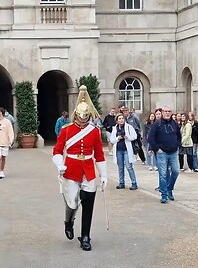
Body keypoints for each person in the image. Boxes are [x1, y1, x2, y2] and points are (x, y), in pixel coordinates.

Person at [52, 85, 107, 251]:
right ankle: (68, 222)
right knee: (72, 203)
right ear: (76, 115)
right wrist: (59, 164)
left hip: (89, 171)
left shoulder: (94, 131)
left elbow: (99, 154)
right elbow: (57, 150)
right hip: (71, 169)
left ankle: (85, 236)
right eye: (81, 117)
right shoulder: (66, 130)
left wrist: (103, 175)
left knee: (88, 204)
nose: (83, 120)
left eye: (86, 117)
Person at [148, 106, 181, 204]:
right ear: (162, 112)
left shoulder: (174, 124)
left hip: (173, 152)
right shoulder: (156, 124)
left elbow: (179, 135)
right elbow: (151, 138)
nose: (167, 113)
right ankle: (164, 194)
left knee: (176, 171)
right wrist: (157, 149)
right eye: (165, 111)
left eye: (169, 111)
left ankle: (169, 188)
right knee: (163, 174)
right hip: (162, 153)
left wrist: (177, 145)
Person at [109, 113, 138, 190]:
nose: (121, 120)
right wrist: (118, 138)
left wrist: (127, 137)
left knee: (129, 166)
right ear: (117, 121)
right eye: (119, 119)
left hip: (127, 150)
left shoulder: (129, 127)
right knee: (120, 167)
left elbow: (134, 136)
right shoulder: (115, 128)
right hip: (118, 150)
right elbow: (112, 140)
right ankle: (121, 182)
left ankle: (134, 183)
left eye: (122, 118)